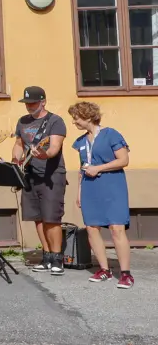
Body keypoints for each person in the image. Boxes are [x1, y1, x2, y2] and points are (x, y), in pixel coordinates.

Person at [69, 101, 133, 289]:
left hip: (112, 185)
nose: (74, 122)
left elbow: (124, 160)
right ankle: (104, 270)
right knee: (92, 228)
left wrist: (99, 168)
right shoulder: (81, 142)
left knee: (116, 228)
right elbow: (82, 169)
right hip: (90, 188)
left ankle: (126, 274)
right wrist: (79, 192)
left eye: (77, 118)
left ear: (88, 116)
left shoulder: (111, 134)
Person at [11, 86, 67, 276]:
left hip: (51, 175)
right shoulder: (22, 122)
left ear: (43, 101)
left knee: (52, 218)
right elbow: (18, 144)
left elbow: (54, 149)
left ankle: (58, 258)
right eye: (26, 103)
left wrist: (42, 155)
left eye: (32, 103)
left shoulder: (55, 121)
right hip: (30, 175)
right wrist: (15, 162)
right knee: (38, 218)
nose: (28, 106)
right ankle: (47, 256)